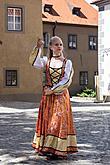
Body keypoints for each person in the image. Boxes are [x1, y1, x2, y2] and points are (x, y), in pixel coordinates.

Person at [29, 36, 78, 159]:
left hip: (60, 95)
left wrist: (53, 90)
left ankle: (58, 149)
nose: (59, 47)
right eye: (56, 44)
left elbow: (66, 80)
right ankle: (47, 147)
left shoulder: (67, 62)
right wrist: (38, 47)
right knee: (48, 120)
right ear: (51, 47)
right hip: (48, 96)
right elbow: (34, 62)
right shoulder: (46, 61)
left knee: (58, 121)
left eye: (61, 44)